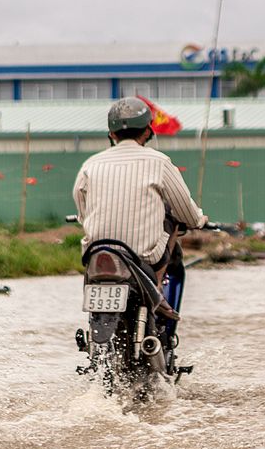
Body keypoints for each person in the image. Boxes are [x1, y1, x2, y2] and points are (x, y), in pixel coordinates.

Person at [73, 98, 207, 323]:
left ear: (112, 134)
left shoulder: (91, 165)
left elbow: (82, 209)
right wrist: (198, 219)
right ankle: (155, 290)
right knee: (172, 222)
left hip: (98, 255)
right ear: (147, 131)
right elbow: (185, 209)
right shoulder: (160, 162)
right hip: (143, 256)